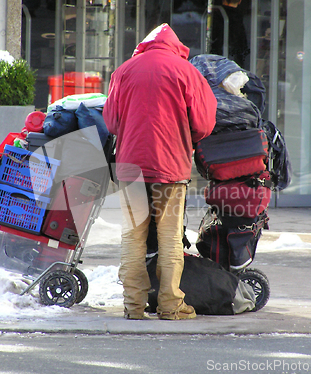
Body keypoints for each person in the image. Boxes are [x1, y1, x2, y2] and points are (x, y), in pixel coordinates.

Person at [103, 24, 217, 320]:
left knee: (132, 236)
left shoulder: (124, 70)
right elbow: (204, 124)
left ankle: (133, 306)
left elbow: (112, 123)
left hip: (130, 166)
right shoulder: (186, 71)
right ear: (174, 45)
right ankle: (170, 306)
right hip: (170, 166)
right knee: (169, 238)